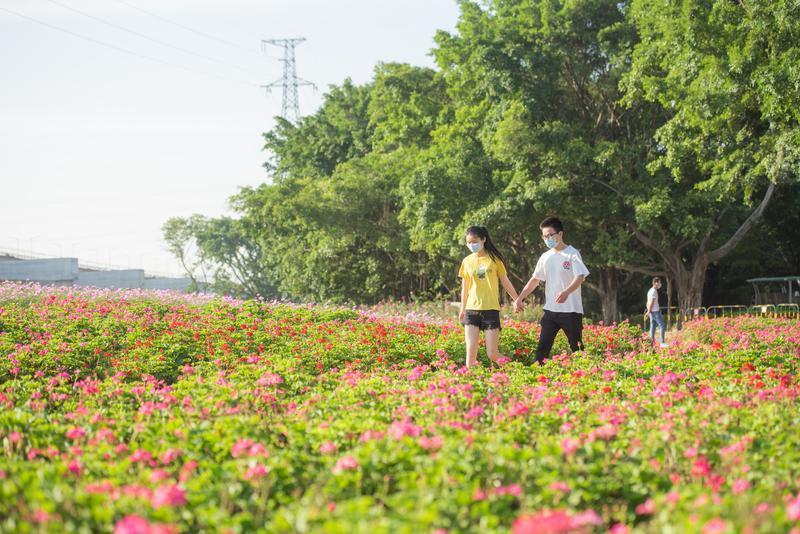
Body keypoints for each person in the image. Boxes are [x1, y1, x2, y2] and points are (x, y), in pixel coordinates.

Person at [514, 216, 589, 364]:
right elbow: (535, 280)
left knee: (577, 348)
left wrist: (566, 292)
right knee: (541, 350)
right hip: (550, 312)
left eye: (550, 235)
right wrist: (520, 298)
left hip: (571, 311)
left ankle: (588, 376)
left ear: (560, 234)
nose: (547, 239)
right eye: (544, 236)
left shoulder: (572, 253)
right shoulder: (545, 257)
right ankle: (537, 381)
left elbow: (580, 276)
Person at [458, 226, 520, 368]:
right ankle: (469, 386)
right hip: (471, 310)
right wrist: (462, 309)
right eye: (468, 242)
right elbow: (465, 287)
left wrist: (517, 299)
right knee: (471, 354)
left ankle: (516, 370)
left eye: (474, 241)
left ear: (484, 239)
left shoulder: (495, 259)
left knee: (492, 353)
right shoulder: (466, 261)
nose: (471, 245)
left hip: (491, 310)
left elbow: (505, 281)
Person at [646, 276, 668, 348]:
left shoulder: (649, 291)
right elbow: (651, 302)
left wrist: (648, 310)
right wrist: (649, 311)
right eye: (659, 283)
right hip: (655, 311)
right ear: (655, 283)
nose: (659, 284)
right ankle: (662, 342)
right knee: (662, 325)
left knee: (653, 326)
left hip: (652, 311)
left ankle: (650, 343)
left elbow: (647, 302)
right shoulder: (654, 291)